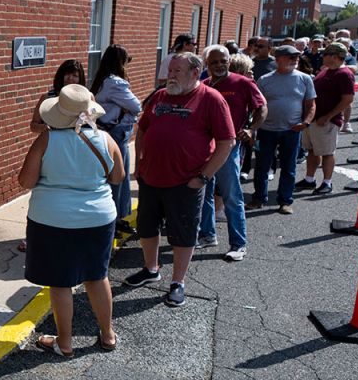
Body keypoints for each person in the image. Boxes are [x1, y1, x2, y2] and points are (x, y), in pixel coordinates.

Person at [17, 84, 124, 355]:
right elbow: (118, 178)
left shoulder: (47, 140)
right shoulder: (106, 139)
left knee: (61, 282)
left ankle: (64, 343)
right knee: (97, 276)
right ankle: (108, 335)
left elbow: (25, 181)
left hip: (52, 218)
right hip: (98, 217)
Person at [124, 53, 236, 307]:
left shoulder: (211, 99)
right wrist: (139, 161)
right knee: (146, 228)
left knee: (183, 234)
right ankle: (151, 269)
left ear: (195, 73)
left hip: (186, 182)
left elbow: (226, 142)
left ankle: (178, 282)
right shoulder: (161, 96)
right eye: (170, 70)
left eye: (177, 71)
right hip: (151, 178)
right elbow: (143, 128)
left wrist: (203, 177)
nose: (170, 75)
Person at [200, 45, 266, 262]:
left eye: (223, 61)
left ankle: (239, 244)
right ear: (207, 65)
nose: (219, 65)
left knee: (232, 195)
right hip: (205, 147)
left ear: (229, 61)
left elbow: (261, 107)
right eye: (214, 62)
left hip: (229, 147)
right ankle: (207, 235)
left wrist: (251, 128)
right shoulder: (203, 85)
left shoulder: (243, 83)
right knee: (205, 193)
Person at [21, 59, 87, 251]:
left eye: (75, 74)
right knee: (41, 193)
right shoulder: (48, 97)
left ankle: (69, 233)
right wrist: (46, 127)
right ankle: (32, 236)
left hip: (75, 152)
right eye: (67, 74)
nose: (71, 78)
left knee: (71, 194)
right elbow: (33, 125)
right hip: (49, 150)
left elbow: (93, 125)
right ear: (60, 76)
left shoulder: (86, 97)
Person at [248, 44, 315, 215]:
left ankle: (285, 201)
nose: (295, 60)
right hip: (266, 130)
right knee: (262, 167)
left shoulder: (304, 79)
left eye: (296, 57)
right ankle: (258, 198)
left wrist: (305, 123)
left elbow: (310, 104)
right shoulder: (265, 80)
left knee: (289, 167)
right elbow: (257, 106)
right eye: (291, 57)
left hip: (292, 131)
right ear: (278, 59)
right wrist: (253, 128)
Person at [89, 45, 141, 223]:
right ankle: (115, 218)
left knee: (109, 175)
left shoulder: (101, 79)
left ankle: (113, 218)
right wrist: (126, 109)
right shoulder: (115, 83)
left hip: (104, 130)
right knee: (118, 177)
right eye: (126, 61)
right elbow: (136, 106)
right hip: (117, 133)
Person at [296, 42, 355, 195]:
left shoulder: (344, 74)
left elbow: (348, 99)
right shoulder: (327, 70)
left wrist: (329, 116)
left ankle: (327, 183)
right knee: (312, 151)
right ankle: (309, 179)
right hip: (313, 119)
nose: (322, 56)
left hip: (326, 121)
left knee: (327, 152)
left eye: (325, 54)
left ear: (334, 57)